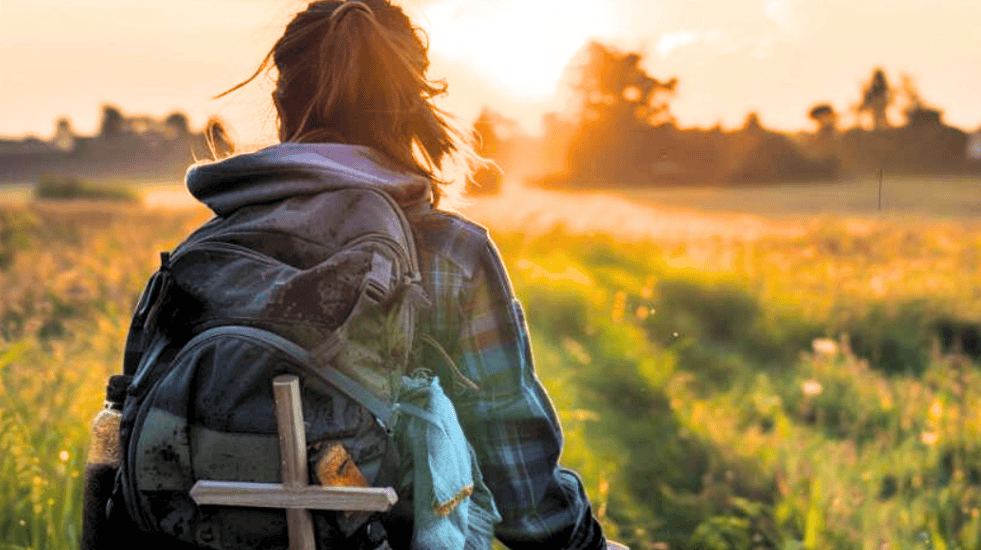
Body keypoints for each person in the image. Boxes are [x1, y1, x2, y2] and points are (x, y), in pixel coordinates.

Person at [186, 1, 609, 548]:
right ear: (413, 110)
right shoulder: (452, 252)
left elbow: (122, 448)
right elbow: (523, 496)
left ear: (281, 108)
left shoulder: (206, 250)